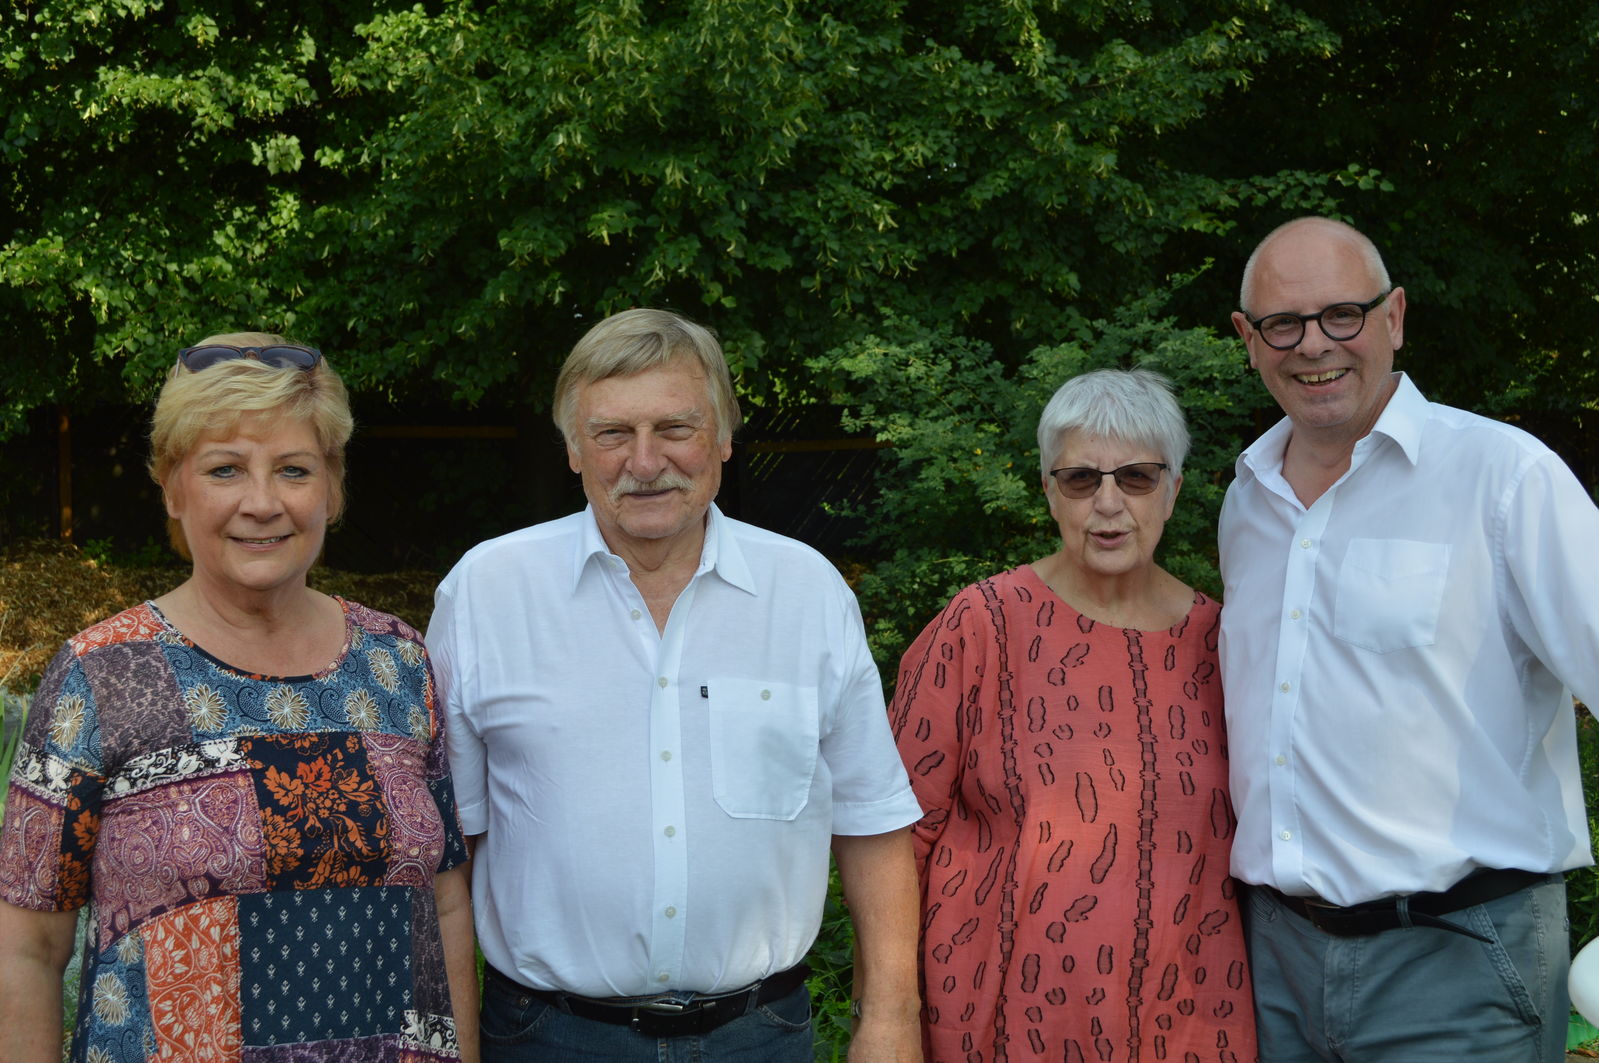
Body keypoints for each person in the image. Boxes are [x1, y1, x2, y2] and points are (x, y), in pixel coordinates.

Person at [427, 307, 925, 1062]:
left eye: (675, 428)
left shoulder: (806, 592)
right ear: (572, 448)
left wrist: (889, 1019)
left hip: (760, 1037)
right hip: (547, 1038)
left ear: (723, 436)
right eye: (612, 433)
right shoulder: (486, 592)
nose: (645, 460)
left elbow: (872, 823)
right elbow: (445, 853)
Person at [0, 334, 479, 1063]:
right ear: (173, 486)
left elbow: (444, 904)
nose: (263, 503)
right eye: (225, 469)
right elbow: (27, 949)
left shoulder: (397, 664)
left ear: (333, 487)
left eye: (293, 469)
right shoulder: (103, 675)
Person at [1221, 216, 1599, 1060]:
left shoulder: (1503, 476)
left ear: (1393, 317)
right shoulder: (1244, 502)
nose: (1313, 344)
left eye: (1341, 314)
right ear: (1248, 340)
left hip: (1460, 959)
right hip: (1273, 966)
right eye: (1283, 323)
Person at [890, 368, 1256, 1062]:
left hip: (1189, 1022)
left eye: (1137, 478)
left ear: (1174, 489)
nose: (1108, 504)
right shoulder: (981, 626)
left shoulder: (1224, 641)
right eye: (1082, 479)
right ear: (1048, 492)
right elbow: (892, 835)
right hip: (996, 1020)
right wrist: (888, 1011)